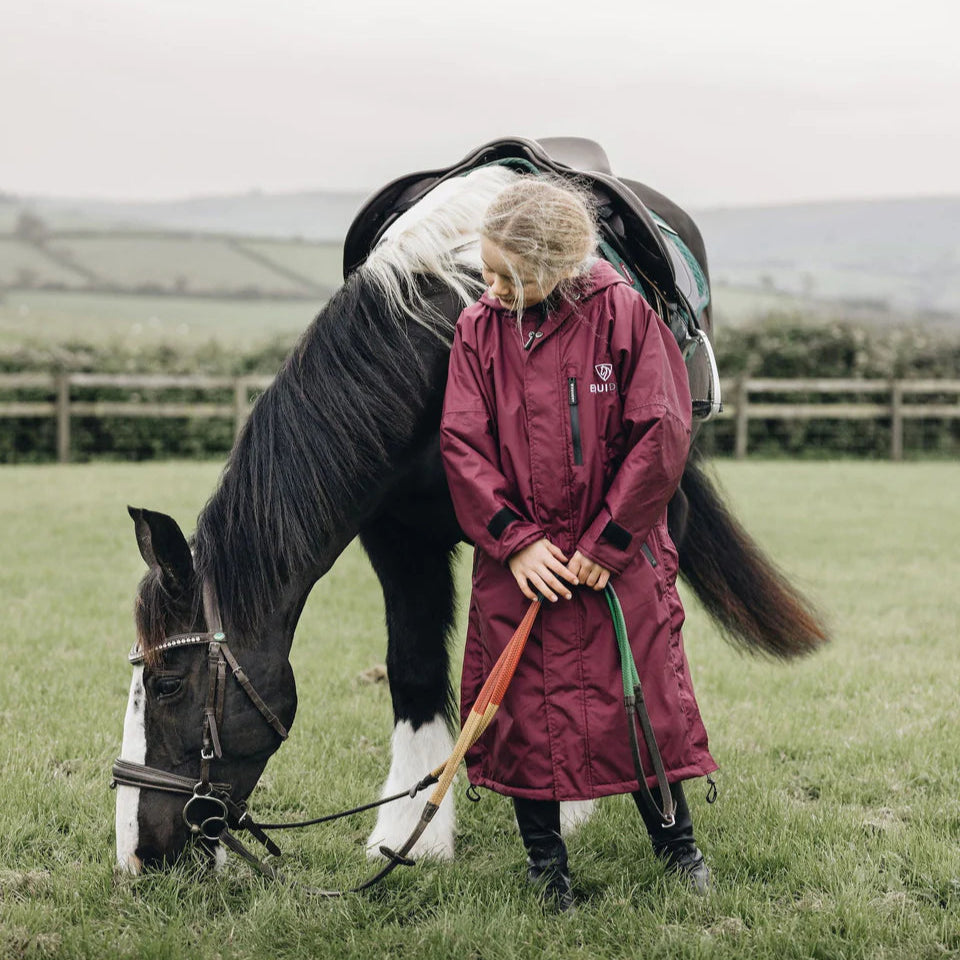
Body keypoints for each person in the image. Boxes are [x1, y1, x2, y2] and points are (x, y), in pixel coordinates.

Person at [439, 176, 717, 910]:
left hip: (616, 563)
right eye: (486, 269)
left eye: (509, 274)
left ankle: (678, 846)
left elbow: (661, 432)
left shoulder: (623, 315)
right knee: (522, 712)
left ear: (558, 266)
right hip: (521, 568)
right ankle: (545, 864)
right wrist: (515, 541)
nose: (491, 287)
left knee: (641, 703)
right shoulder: (476, 329)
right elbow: (463, 444)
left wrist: (610, 539)